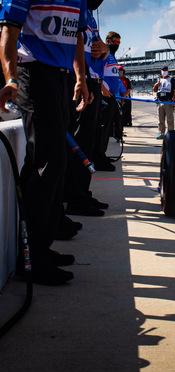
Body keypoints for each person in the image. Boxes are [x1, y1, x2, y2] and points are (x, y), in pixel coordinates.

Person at [0, 0, 92, 285]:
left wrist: (81, 78)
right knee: (45, 163)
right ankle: (33, 258)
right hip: (33, 74)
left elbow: (76, 37)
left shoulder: (79, 0)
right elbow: (8, 35)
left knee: (57, 163)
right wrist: (12, 79)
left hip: (61, 77)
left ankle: (43, 247)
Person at [64, 0, 111, 218]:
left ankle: (82, 193)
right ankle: (76, 198)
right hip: (75, 78)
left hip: (90, 78)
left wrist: (105, 49)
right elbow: (76, 44)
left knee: (88, 142)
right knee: (79, 142)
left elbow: (98, 51)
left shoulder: (90, 14)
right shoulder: (77, 7)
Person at [92, 31, 123, 171]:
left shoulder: (113, 57)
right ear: (107, 40)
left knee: (107, 128)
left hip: (112, 97)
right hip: (103, 96)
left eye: (118, 43)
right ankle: (98, 158)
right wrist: (102, 86)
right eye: (114, 42)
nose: (116, 45)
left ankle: (101, 155)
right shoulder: (103, 53)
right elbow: (94, 68)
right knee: (102, 128)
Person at [153, 66, 175, 139]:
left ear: (168, 71)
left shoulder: (172, 80)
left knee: (170, 119)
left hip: (168, 101)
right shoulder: (159, 80)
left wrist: (173, 100)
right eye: (163, 70)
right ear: (161, 71)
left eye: (165, 70)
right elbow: (154, 90)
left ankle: (171, 134)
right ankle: (161, 133)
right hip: (160, 101)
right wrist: (155, 85)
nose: (164, 71)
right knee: (160, 119)